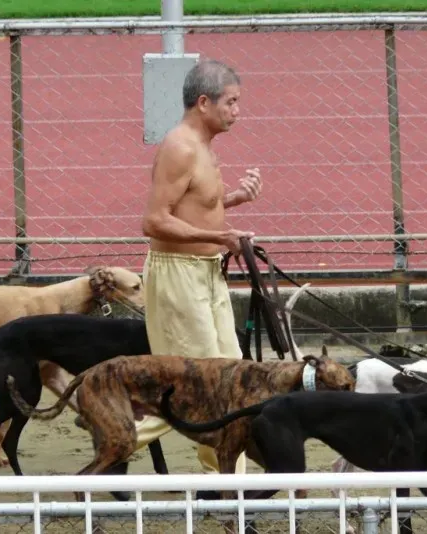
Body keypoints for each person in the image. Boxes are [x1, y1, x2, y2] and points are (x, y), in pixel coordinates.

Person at [137, 59, 262, 475]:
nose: (237, 111)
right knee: (199, 385)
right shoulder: (180, 146)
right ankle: (115, 438)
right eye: (231, 102)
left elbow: (196, 206)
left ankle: (230, 487)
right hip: (179, 275)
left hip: (206, 273)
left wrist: (233, 202)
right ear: (204, 102)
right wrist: (219, 238)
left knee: (231, 377)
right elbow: (154, 221)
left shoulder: (203, 146)